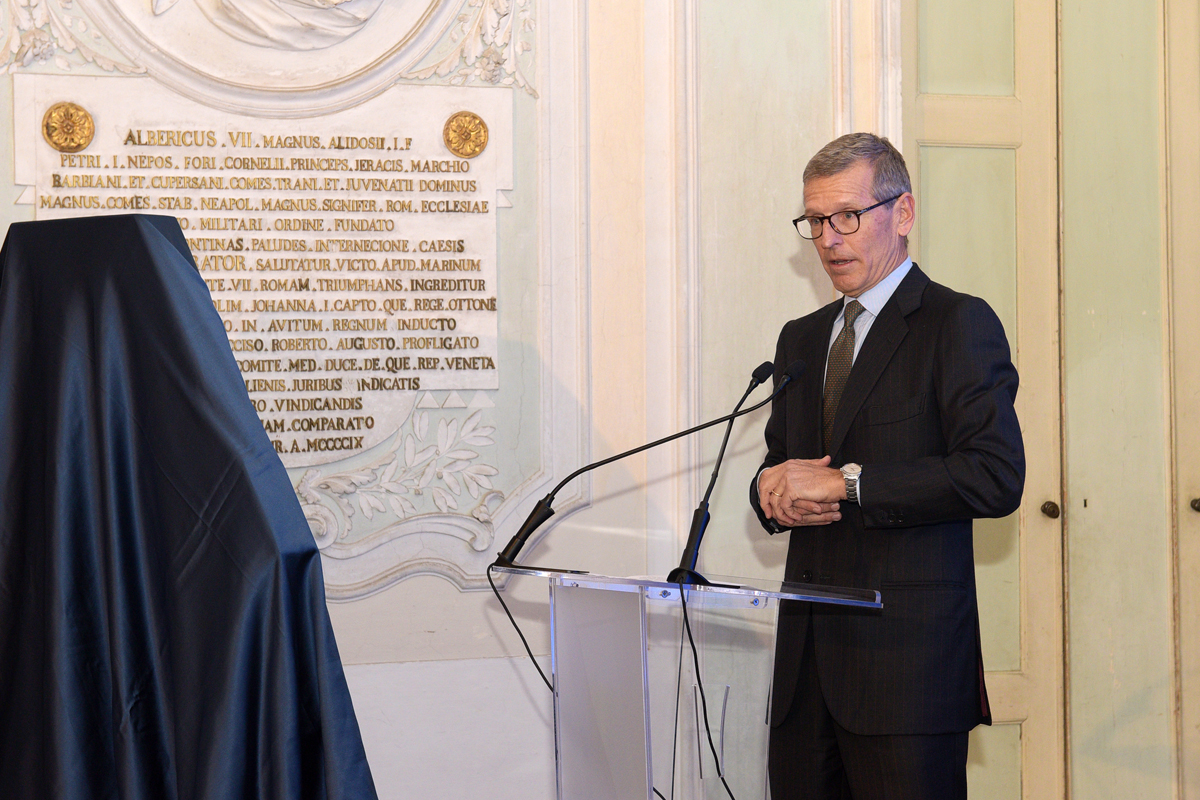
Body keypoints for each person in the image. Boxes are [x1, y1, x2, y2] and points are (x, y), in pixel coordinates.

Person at [750, 133, 1024, 798]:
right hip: (806, 677)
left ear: (902, 213)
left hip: (906, 675)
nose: (828, 239)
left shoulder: (955, 323)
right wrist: (769, 491)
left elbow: (993, 475)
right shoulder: (800, 338)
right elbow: (782, 463)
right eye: (815, 221)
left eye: (847, 216)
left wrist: (849, 483)